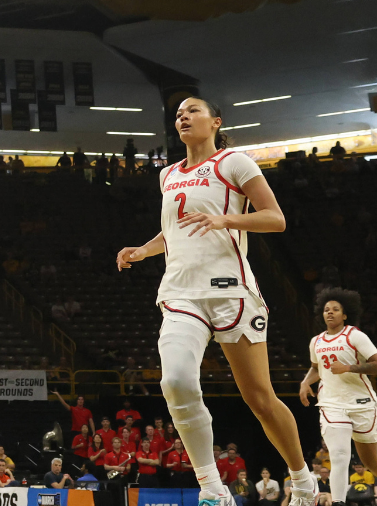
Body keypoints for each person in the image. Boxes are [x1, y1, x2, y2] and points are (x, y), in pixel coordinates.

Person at [117, 97, 319, 506]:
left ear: (216, 121)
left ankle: (303, 482)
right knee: (174, 382)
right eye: (178, 114)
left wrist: (226, 218)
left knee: (260, 399)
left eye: (192, 110)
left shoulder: (234, 164)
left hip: (233, 293)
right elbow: (174, 232)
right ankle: (212, 489)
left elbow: (274, 218)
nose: (183, 117)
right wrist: (141, 250)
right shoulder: (168, 175)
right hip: (179, 294)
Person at [300, 290, 377, 506]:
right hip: (331, 403)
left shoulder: (355, 336)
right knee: (338, 455)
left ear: (345, 314)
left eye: (335, 310)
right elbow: (317, 368)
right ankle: (339, 502)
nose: (330, 313)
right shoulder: (316, 341)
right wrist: (305, 382)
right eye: (327, 310)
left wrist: (348, 367)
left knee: (369, 460)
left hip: (362, 404)